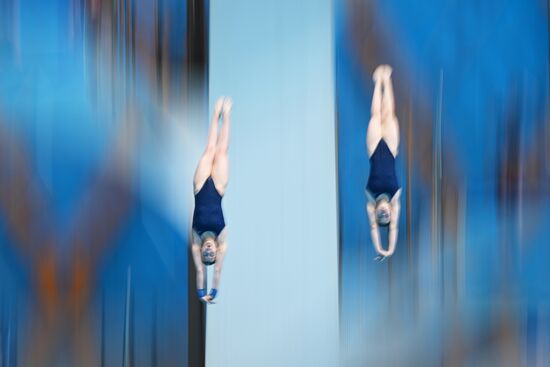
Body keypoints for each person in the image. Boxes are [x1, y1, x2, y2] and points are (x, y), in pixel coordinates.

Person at [190, 97, 232, 303]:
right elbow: (216, 272)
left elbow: (200, 270)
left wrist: (200, 293)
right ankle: (228, 114)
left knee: (209, 149)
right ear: (215, 249)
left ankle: (216, 114)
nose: (207, 252)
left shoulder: (196, 239)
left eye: (205, 254)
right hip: (218, 188)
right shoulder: (221, 238)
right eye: (210, 254)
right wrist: (212, 292)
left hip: (199, 187)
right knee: (222, 151)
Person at [366, 65, 401, 261]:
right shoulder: (395, 198)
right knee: (389, 115)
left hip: (373, 150)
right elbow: (393, 227)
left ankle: (377, 81)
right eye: (387, 215)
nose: (384, 213)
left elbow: (374, 228)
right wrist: (390, 249)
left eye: (381, 216)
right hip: (391, 148)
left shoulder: (370, 201)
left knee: (375, 116)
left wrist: (380, 247)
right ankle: (386, 79)